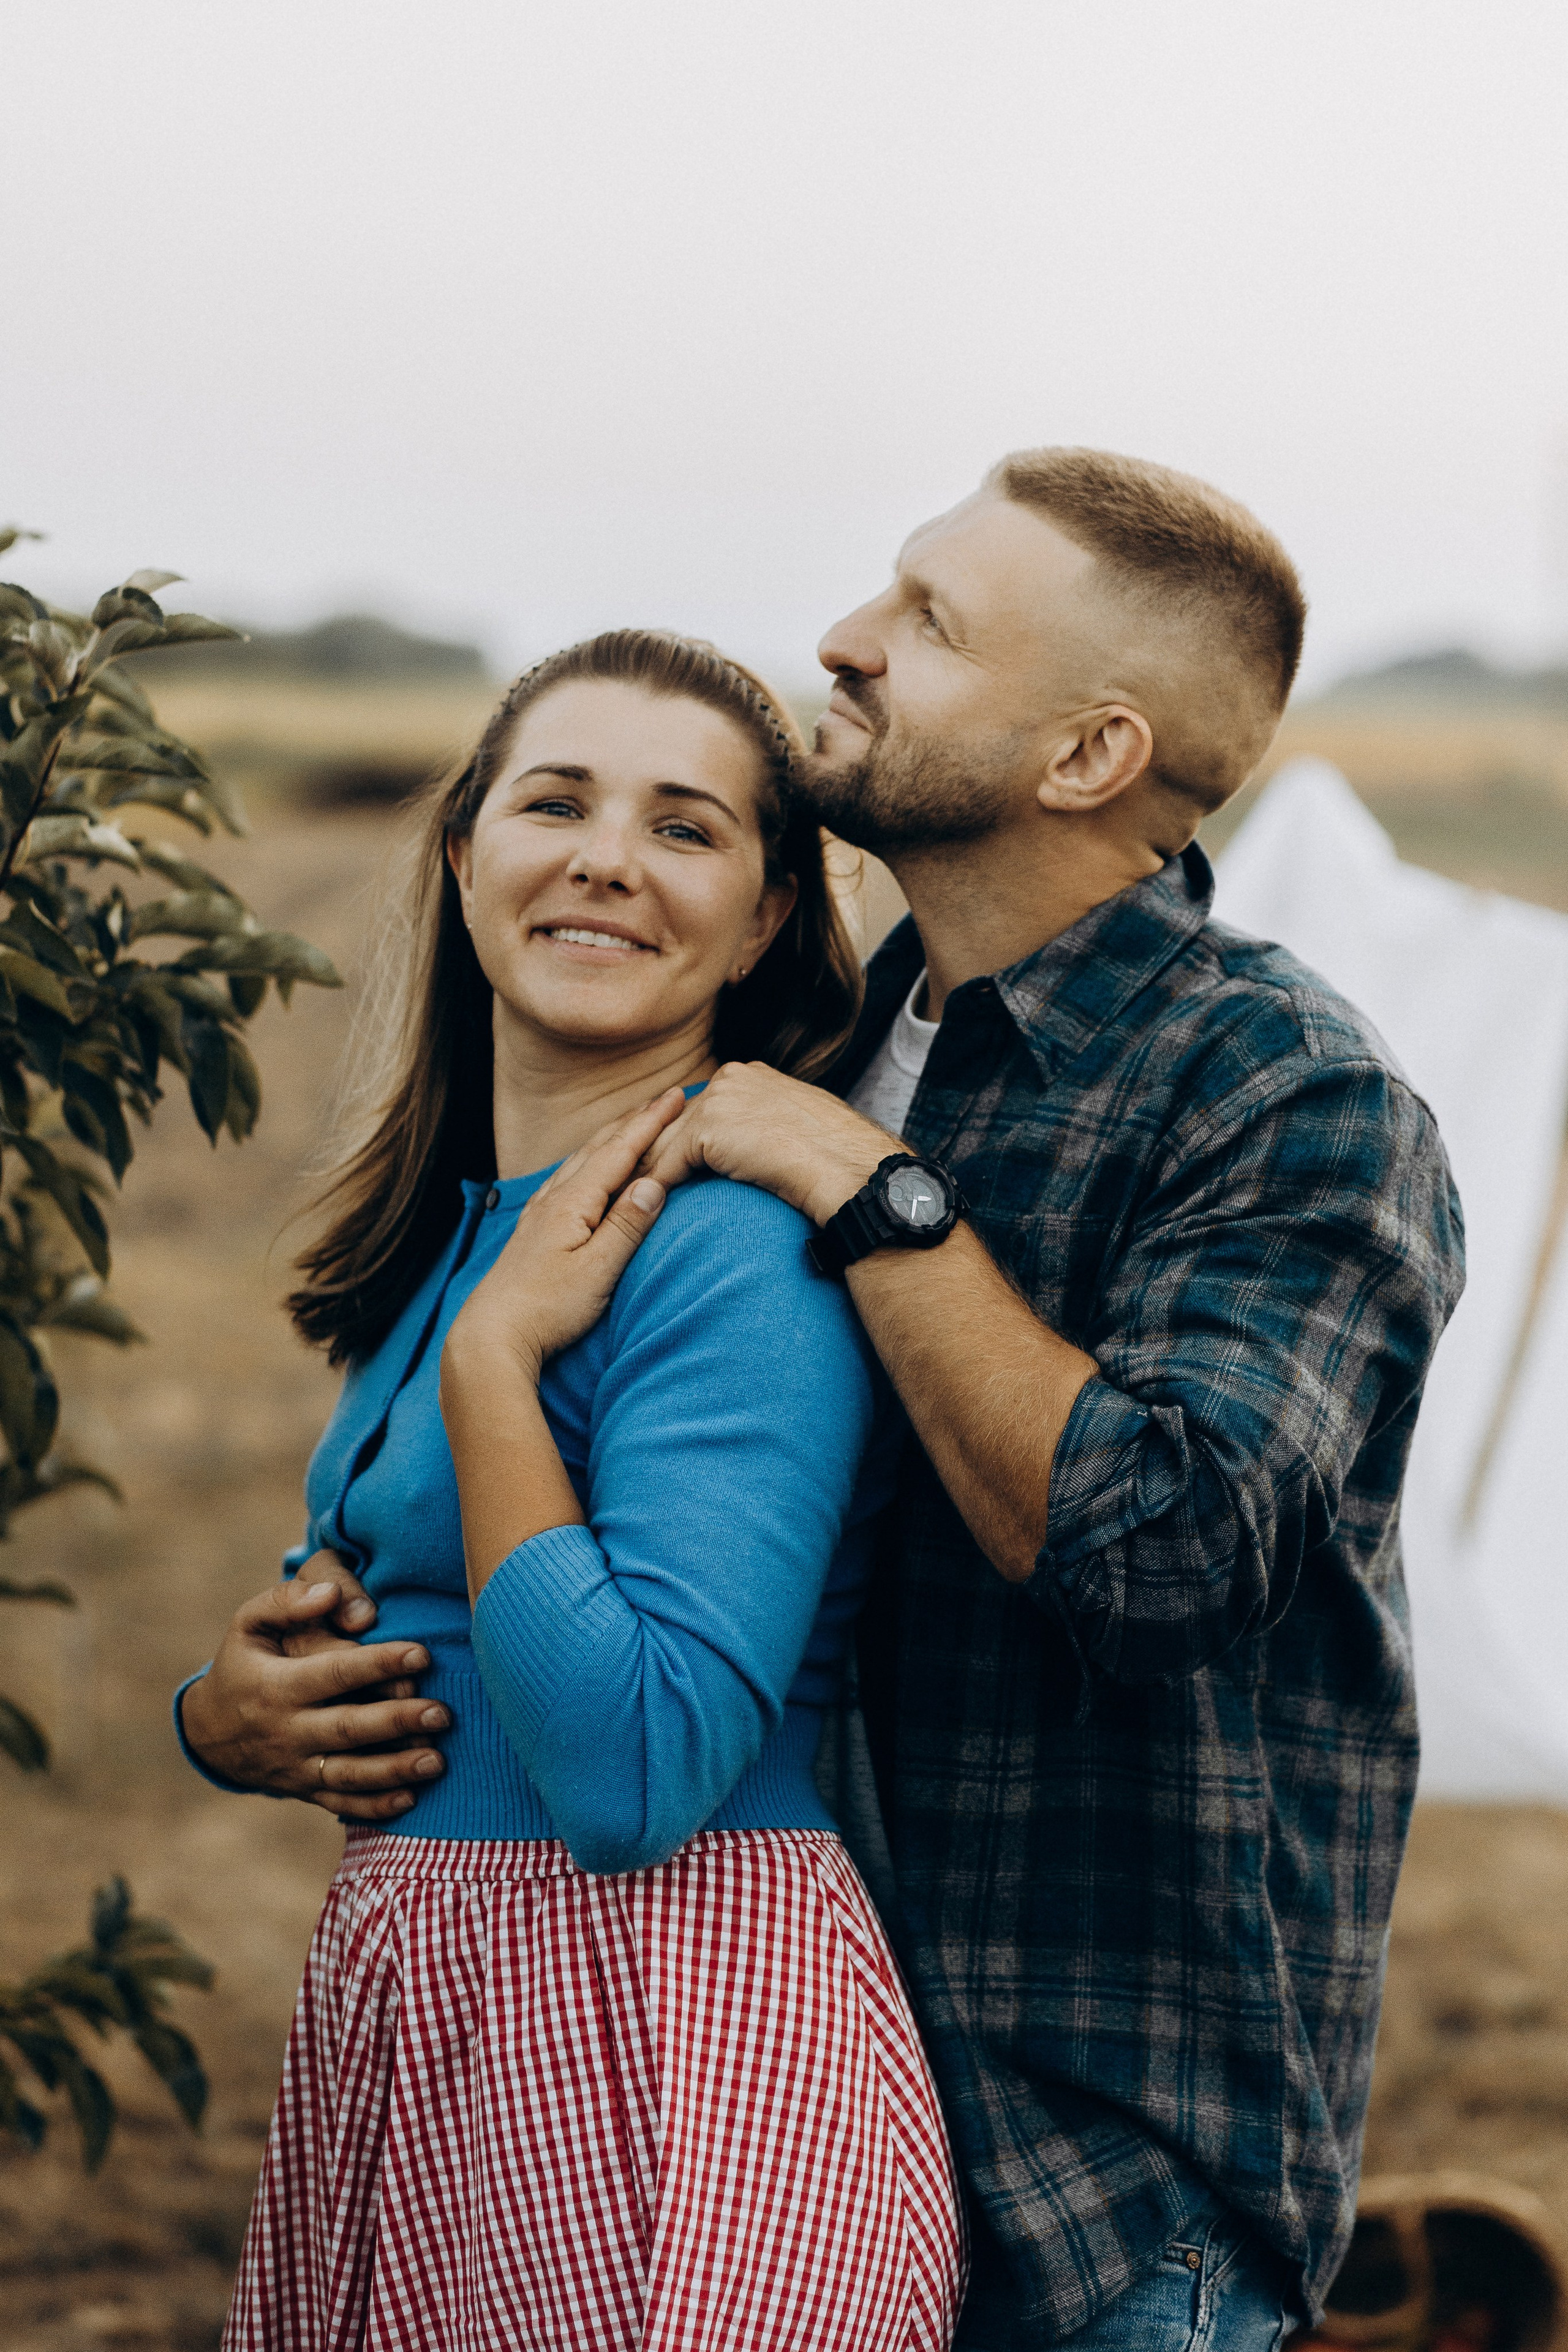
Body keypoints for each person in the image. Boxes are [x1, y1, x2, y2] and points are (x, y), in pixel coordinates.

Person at [196, 447, 1465, 2351]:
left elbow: (1167, 1556)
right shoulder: (844, 1048)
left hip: (1101, 2170)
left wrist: (877, 1196)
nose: (847, 642)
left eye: (928, 621)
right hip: (759, 2068)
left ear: (1088, 753)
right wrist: (244, 1708)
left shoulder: (1285, 1093)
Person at [176, 630, 967, 2352]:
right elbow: (399, 1616)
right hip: (443, 2014)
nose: (608, 857)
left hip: (667, 2038)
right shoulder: (464, 1236)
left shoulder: (730, 1250)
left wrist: (493, 1370)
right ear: (465, 858)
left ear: (763, 920)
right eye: (557, 803)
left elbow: (633, 1770)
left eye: (685, 827)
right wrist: (221, 1718)